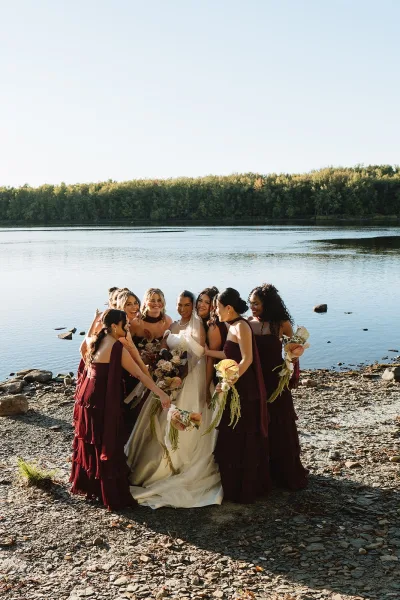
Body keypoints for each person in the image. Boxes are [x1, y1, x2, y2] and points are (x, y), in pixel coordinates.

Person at [126, 291, 223, 509]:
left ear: (193, 306)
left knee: (183, 421)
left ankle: (178, 464)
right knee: (159, 417)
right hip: (172, 377)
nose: (182, 308)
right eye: (179, 304)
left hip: (193, 379)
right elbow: (166, 347)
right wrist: (164, 364)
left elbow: (202, 354)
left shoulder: (198, 326)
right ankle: (151, 464)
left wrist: (187, 374)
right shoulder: (174, 324)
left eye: (187, 305)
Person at [70, 309, 170, 511]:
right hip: (103, 399)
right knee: (108, 439)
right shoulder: (117, 348)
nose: (128, 327)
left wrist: (93, 322)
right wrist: (160, 393)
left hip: (86, 396)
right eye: (125, 324)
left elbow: (82, 347)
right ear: (115, 326)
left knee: (92, 439)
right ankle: (110, 492)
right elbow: (141, 375)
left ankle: (93, 486)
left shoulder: (95, 340)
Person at [205, 288, 270, 503]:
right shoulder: (232, 325)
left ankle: (246, 488)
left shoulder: (241, 325)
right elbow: (227, 354)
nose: (216, 311)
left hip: (244, 389)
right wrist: (205, 352)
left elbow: (247, 359)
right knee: (232, 434)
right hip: (235, 387)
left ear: (229, 308)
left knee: (242, 436)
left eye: (217, 307)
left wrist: (226, 382)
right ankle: (233, 484)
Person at [248, 284, 308, 490]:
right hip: (256, 379)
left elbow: (293, 352)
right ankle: (262, 472)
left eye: (256, 303)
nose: (252, 307)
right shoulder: (247, 323)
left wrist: (291, 371)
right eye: (250, 303)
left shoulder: (282, 324)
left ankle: (284, 471)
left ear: (267, 303)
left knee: (281, 422)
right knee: (259, 422)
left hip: (276, 379)